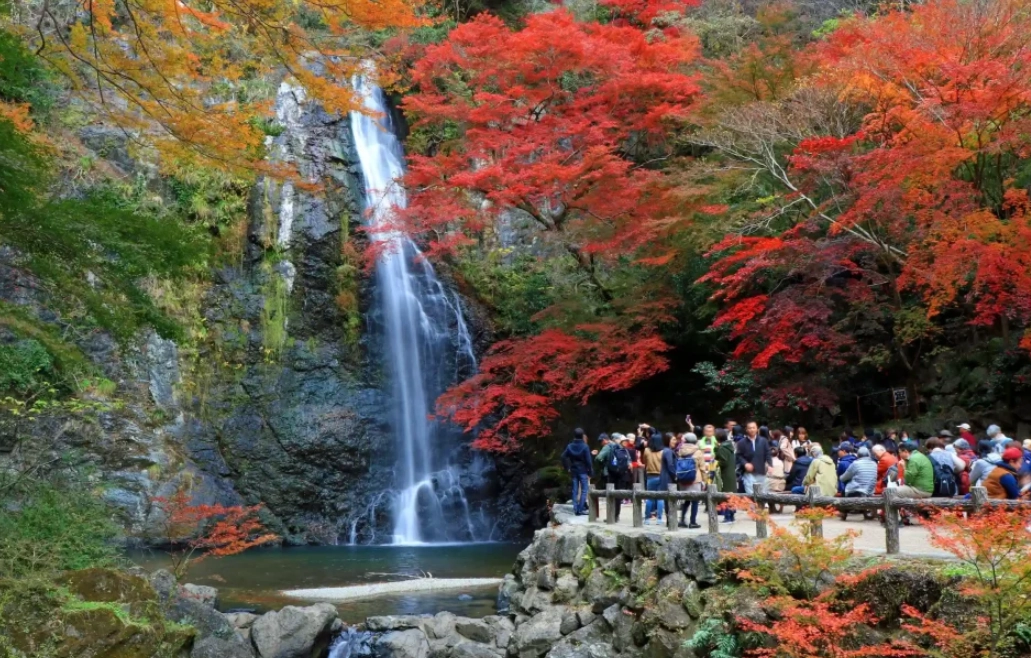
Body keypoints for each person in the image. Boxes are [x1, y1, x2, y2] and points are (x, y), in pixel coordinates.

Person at [736, 421, 773, 496]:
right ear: (746, 429)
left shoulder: (763, 441)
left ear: (757, 429)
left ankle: (761, 507)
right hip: (748, 472)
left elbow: (768, 453)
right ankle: (752, 507)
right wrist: (745, 463)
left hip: (761, 470)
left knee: (763, 493)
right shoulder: (741, 442)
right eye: (750, 428)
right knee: (750, 493)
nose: (752, 430)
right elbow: (738, 455)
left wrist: (770, 465)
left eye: (753, 428)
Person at [561, 428, 593, 515]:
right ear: (582, 436)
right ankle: (581, 508)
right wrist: (590, 472)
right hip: (583, 470)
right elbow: (588, 461)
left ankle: (575, 508)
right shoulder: (585, 446)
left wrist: (567, 467)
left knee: (574, 490)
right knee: (584, 490)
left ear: (574, 435)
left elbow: (563, 456)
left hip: (574, 470)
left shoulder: (570, 446)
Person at [677, 433, 702, 529]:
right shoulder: (698, 452)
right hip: (695, 479)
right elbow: (702, 467)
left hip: (683, 479)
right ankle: (693, 522)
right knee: (695, 501)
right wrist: (704, 480)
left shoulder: (680, 451)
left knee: (686, 500)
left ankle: (682, 520)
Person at [643, 431, 666, 524]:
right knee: (660, 498)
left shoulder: (646, 451)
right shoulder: (663, 451)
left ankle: (647, 518)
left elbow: (644, 461)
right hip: (661, 475)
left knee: (649, 498)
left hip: (650, 475)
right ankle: (659, 519)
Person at [715, 429, 737, 523]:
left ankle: (728, 517)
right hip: (731, 473)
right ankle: (731, 515)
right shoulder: (729, 446)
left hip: (725, 474)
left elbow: (723, 461)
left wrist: (716, 463)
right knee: (731, 495)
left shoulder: (723, 448)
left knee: (726, 495)